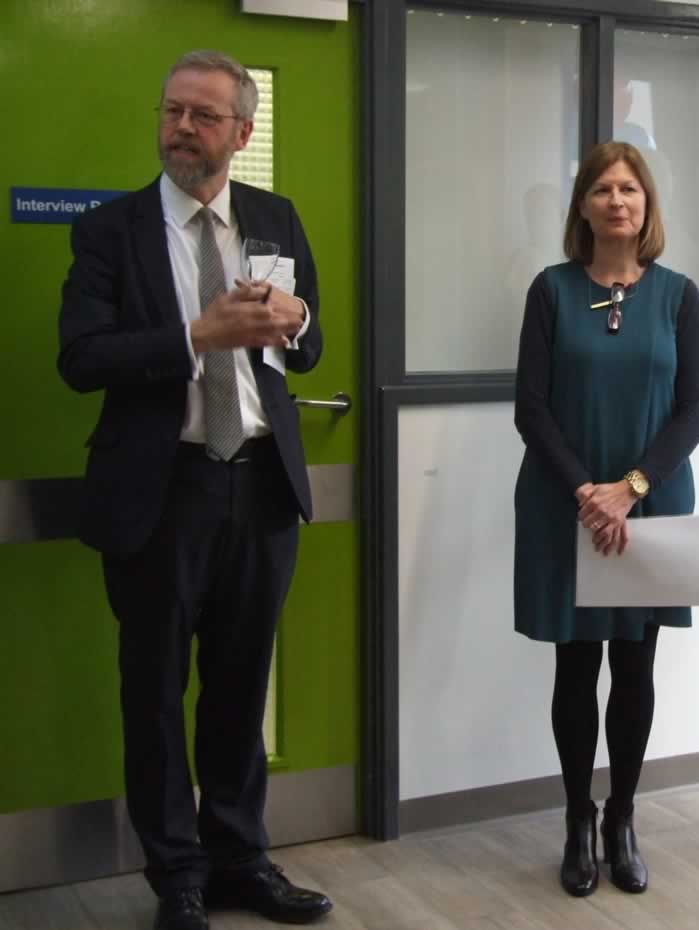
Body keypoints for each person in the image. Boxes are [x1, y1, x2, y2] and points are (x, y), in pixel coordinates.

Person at [57, 51, 331, 930]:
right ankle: (175, 876)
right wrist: (193, 335)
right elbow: (78, 357)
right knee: (155, 693)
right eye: (173, 111)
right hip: (159, 489)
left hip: (258, 486)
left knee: (242, 688)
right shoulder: (112, 230)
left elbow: (308, 345)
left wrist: (298, 322)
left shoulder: (274, 217)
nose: (183, 127)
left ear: (242, 134)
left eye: (205, 116)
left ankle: (239, 859)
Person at [513, 141, 699, 897]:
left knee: (635, 665)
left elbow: (692, 415)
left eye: (629, 188)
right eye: (602, 189)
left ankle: (622, 817)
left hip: (652, 500)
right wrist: (589, 495)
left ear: (647, 205)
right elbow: (531, 408)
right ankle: (575, 817)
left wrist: (628, 488)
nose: (616, 200)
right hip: (566, 503)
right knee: (575, 663)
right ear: (584, 207)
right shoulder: (550, 291)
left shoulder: (679, 295)